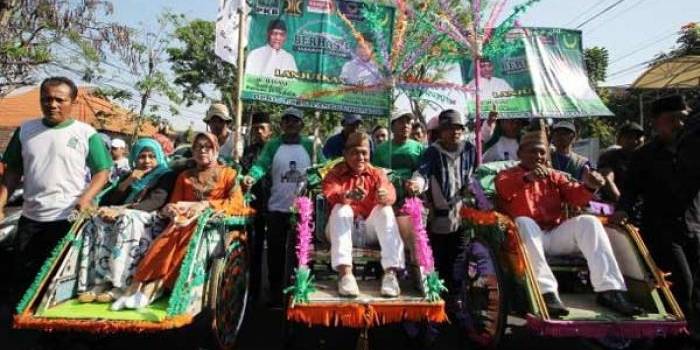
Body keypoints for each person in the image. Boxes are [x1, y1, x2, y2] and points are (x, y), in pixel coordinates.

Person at [495, 127, 643, 317]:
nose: (539, 155)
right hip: (523, 239)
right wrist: (527, 178)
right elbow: (505, 188)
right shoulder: (507, 174)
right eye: (533, 151)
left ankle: (610, 290)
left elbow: (577, 197)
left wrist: (590, 185)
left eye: (542, 151)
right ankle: (546, 293)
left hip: (553, 236)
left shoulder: (555, 176)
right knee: (524, 221)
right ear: (520, 154)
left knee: (588, 222)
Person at [0, 76, 113, 304]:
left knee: (59, 279)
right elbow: (12, 173)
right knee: (23, 276)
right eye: (46, 99)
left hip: (68, 217)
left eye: (59, 100)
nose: (52, 104)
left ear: (72, 101)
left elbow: (103, 171)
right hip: (31, 217)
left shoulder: (85, 133)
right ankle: (22, 327)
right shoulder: (25, 131)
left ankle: (55, 334)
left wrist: (86, 197)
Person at [112, 132, 252, 310]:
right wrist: (171, 209)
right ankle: (133, 289)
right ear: (193, 151)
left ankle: (152, 290)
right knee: (163, 241)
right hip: (181, 222)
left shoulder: (229, 174)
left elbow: (237, 204)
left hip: (209, 223)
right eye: (198, 147)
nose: (203, 150)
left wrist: (205, 204)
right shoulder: (184, 176)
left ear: (216, 151)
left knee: (185, 241)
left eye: (207, 147)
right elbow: (174, 202)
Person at [614, 95, 700, 315]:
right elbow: (630, 190)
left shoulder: (694, 150)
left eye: (683, 119)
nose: (679, 125)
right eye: (671, 119)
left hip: (694, 227)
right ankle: (677, 334)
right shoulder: (644, 156)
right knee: (682, 285)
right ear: (655, 122)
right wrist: (622, 210)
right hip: (662, 231)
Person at [242, 107, 324, 307]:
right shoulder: (272, 145)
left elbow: (323, 168)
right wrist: (251, 177)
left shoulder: (311, 145)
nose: (290, 124)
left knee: (302, 253)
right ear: (281, 125)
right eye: (286, 120)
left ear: (301, 125)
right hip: (276, 208)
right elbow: (261, 165)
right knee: (275, 254)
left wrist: (311, 181)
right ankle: (275, 291)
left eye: (295, 121)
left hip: (303, 210)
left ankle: (301, 290)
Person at [77, 138, 176, 304]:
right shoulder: (127, 175)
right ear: (134, 158)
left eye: (151, 156)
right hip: (124, 214)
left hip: (151, 219)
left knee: (127, 219)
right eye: (142, 157)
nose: (147, 161)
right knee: (97, 220)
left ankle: (121, 284)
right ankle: (100, 282)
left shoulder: (165, 175)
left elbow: (155, 202)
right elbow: (107, 199)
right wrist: (129, 181)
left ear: (158, 157)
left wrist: (121, 210)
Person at [323, 133, 404, 297]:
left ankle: (390, 275)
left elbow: (391, 194)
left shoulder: (377, 174)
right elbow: (330, 193)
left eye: (364, 153)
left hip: (368, 231)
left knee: (386, 210)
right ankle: (345, 274)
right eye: (354, 152)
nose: (360, 157)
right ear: (345, 154)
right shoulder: (335, 173)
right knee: (341, 208)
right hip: (341, 229)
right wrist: (346, 195)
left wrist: (385, 196)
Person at [411, 110, 476, 295]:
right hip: (438, 221)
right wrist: (416, 184)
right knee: (439, 264)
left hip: (463, 218)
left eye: (458, 128)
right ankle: (439, 307)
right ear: (441, 132)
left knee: (458, 268)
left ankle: (458, 306)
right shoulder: (432, 152)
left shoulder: (470, 150)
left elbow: (478, 175)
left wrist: (473, 187)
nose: (454, 132)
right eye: (449, 128)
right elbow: (422, 174)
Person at [241, 111, 274, 302]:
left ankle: (274, 290)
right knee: (254, 248)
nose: (258, 132)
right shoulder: (249, 151)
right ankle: (253, 291)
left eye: (262, 128)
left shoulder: (277, 149)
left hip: (275, 204)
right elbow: (246, 173)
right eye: (255, 129)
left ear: (270, 131)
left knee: (276, 249)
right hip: (255, 204)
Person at [372, 110, 426, 208]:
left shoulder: (419, 148)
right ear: (392, 127)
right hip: (387, 200)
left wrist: (417, 185)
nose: (406, 125)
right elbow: (375, 175)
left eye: (409, 122)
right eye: (401, 122)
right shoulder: (380, 150)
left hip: (412, 201)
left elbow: (424, 173)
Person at [597, 122, 645, 203]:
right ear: (619, 140)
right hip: (614, 206)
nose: (634, 141)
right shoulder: (611, 157)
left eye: (638, 137)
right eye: (629, 137)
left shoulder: (649, 157)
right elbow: (607, 178)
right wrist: (622, 204)